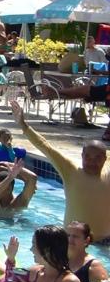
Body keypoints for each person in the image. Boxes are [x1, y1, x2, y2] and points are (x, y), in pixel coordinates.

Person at [11, 100, 110, 242]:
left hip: (105, 243)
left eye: (97, 158)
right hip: (73, 242)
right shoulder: (70, 170)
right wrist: (23, 125)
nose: (92, 162)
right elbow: (46, 147)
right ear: (81, 156)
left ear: (105, 159)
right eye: (88, 157)